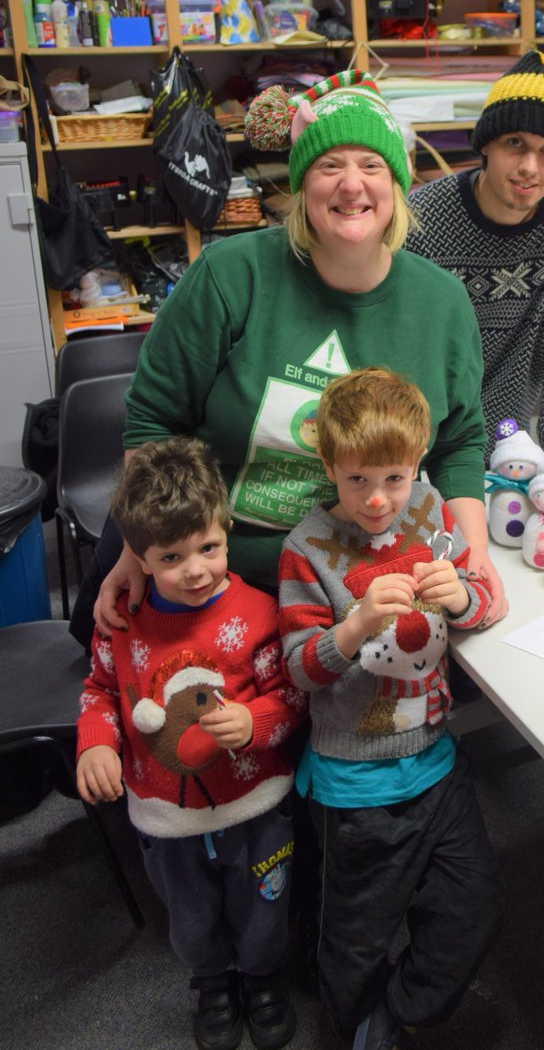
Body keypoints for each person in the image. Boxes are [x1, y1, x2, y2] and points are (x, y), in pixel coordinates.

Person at [92, 67, 507, 642]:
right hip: (215, 583)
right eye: (329, 166)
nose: (351, 184)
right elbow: (154, 422)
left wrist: (474, 556)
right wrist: (142, 549)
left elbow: (459, 440)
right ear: (300, 186)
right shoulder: (230, 275)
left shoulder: (441, 302)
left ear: (397, 185)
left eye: (371, 165)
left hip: (364, 587)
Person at [278, 367, 503, 1050]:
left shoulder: (431, 511)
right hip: (357, 785)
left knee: (472, 909)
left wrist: (461, 595)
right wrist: (354, 624)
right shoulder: (308, 547)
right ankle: (365, 1031)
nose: (377, 499)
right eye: (357, 481)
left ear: (418, 463)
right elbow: (299, 669)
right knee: (356, 938)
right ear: (328, 466)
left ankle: (393, 1021)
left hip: (437, 762)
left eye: (394, 479)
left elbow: (478, 605)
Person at [75, 437, 304, 1050]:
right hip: (166, 817)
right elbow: (100, 691)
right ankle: (213, 983)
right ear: (140, 557)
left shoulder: (259, 613)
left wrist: (254, 721)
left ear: (226, 530)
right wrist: (95, 745)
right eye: (172, 557)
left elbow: (291, 695)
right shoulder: (123, 621)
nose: (196, 570)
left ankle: (263, 978)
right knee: (190, 915)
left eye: (208, 547)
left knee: (265, 905)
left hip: (256, 806)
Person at [405, 50, 544, 462]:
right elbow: (403, 356)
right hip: (422, 446)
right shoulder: (422, 219)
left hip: (510, 449)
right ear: (487, 145)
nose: (530, 166)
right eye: (515, 143)